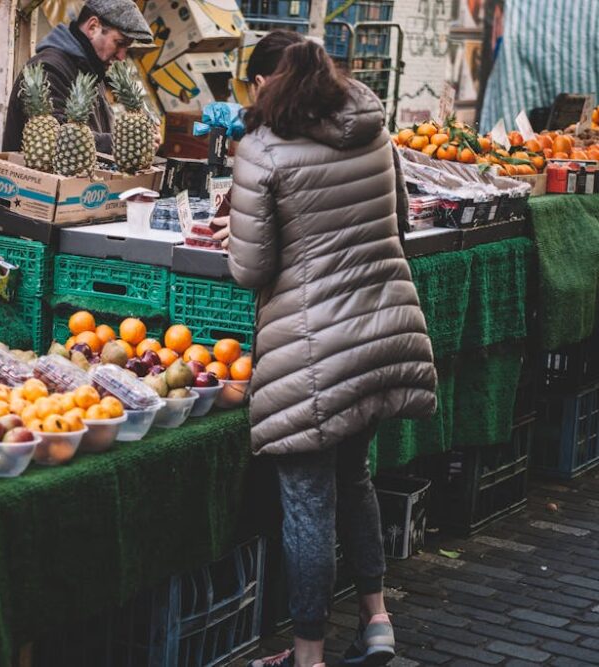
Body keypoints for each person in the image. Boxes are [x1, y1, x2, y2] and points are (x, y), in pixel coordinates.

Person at [220, 32, 438, 667]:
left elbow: (250, 268)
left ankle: (307, 656)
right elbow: (399, 217)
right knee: (356, 478)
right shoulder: (372, 127)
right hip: (380, 334)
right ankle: (377, 623)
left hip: (314, 352)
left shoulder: (261, 150)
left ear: (266, 83)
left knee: (308, 504)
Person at [1, 0, 153, 155]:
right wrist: (123, 142)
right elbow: (56, 140)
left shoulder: (91, 70)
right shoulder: (48, 69)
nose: (122, 56)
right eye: (119, 43)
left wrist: (139, 136)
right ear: (93, 27)